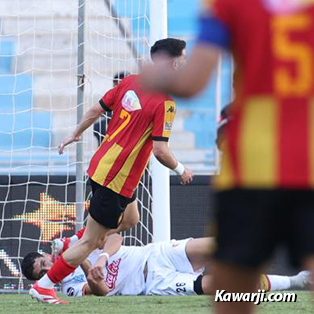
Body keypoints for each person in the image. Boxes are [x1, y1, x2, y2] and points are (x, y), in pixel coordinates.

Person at [140, 0, 314, 314]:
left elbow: (193, 82)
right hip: (310, 159)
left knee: (232, 295)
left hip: (251, 163)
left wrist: (151, 75)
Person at [29, 38, 194, 305]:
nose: (185, 62)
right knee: (90, 244)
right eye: (184, 58)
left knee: (131, 218)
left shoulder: (128, 82)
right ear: (173, 62)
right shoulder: (165, 103)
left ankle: (76, 238)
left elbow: (96, 109)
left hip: (102, 167)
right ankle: (45, 285)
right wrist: (181, 169)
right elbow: (160, 150)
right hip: (116, 179)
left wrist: (75, 133)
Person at [22, 234, 309, 297]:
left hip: (156, 254)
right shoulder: (69, 287)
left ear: (48, 255)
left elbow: (115, 237)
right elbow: (103, 290)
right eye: (42, 273)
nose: (48, 269)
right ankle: (297, 281)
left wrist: (98, 256)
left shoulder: (80, 242)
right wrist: (86, 264)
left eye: (43, 263)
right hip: (154, 284)